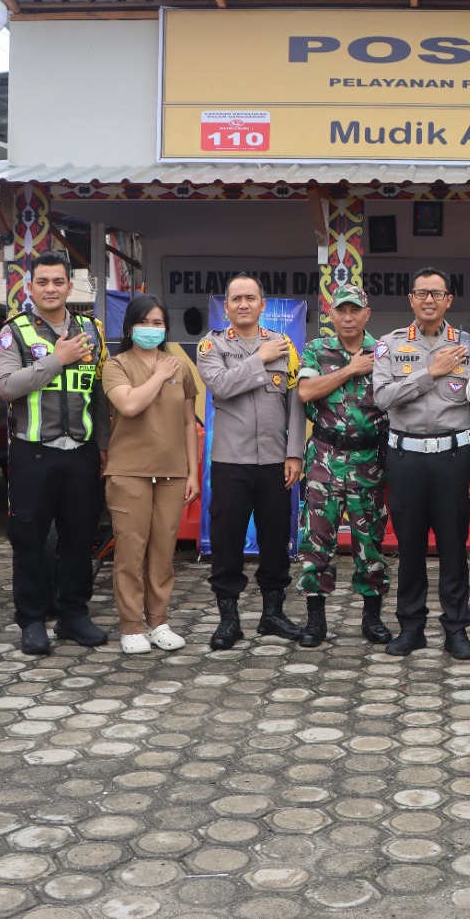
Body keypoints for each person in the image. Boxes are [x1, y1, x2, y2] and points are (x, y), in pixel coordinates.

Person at [372, 268, 470, 659]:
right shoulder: (389, 346)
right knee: (409, 546)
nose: (429, 300)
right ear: (410, 299)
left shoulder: (468, 346)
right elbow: (383, 398)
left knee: (453, 547)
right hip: (406, 457)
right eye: (421, 293)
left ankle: (456, 628)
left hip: (454, 459)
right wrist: (431, 373)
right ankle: (411, 627)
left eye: (436, 294)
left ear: (448, 300)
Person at [0, 251, 111, 655]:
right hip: (33, 454)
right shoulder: (16, 331)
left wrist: (103, 447)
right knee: (28, 538)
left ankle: (73, 614)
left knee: (79, 538)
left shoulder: (90, 330)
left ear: (69, 286)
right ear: (30, 287)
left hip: (80, 453)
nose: (50, 289)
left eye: (57, 281)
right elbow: (7, 386)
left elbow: (98, 393)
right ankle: (31, 619)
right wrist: (56, 361)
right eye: (42, 282)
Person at [197, 273, 306, 649]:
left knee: (277, 539)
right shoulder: (212, 346)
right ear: (226, 307)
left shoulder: (284, 345)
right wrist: (259, 360)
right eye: (236, 299)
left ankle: (272, 614)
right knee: (227, 542)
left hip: (276, 461)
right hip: (231, 462)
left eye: (251, 298)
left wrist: (295, 453)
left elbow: (295, 401)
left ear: (263, 304)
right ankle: (229, 621)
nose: (243, 304)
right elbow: (222, 387)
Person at [294, 284, 391, 647]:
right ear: (331, 315)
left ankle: (373, 619)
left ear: (367, 314)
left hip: (369, 460)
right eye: (341, 311)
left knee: (371, 542)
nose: (348, 318)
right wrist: (350, 370)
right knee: (317, 539)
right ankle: (316, 621)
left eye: (355, 311)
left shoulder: (384, 351)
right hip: (324, 460)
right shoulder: (317, 350)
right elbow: (305, 392)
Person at [100, 294, 198, 654]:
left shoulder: (181, 367)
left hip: (172, 472)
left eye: (159, 324)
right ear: (129, 326)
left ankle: (159, 622)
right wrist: (158, 375)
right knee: (130, 550)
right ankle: (131, 627)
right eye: (145, 323)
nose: (152, 330)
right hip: (129, 473)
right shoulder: (117, 365)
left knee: (162, 551)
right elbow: (128, 405)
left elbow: (189, 421)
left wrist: (191, 470)